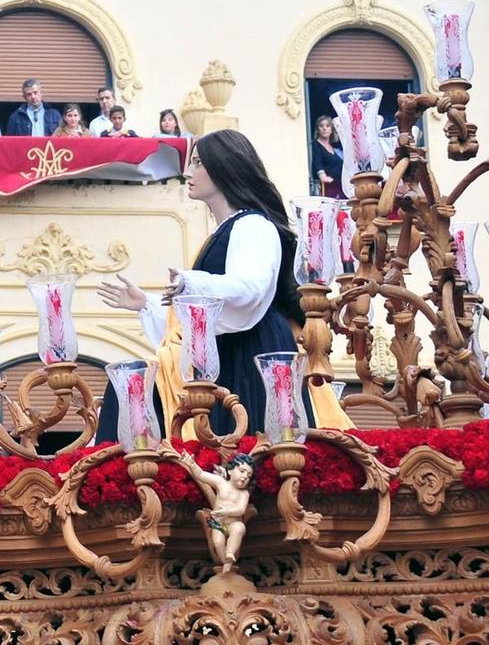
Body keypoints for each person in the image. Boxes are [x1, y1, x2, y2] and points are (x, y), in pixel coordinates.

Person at [97, 130, 351, 435]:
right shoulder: (230, 229)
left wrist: (192, 282)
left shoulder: (253, 225)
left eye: (198, 163)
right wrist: (147, 305)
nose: (188, 172)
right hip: (229, 347)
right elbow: (212, 307)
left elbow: (249, 287)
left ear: (224, 168)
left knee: (245, 441)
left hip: (249, 348)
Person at [310, 114, 344, 197]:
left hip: (340, 186)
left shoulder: (335, 148)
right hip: (328, 186)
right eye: (321, 126)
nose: (324, 128)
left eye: (327, 126)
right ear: (317, 129)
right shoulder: (315, 144)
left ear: (331, 130)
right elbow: (317, 162)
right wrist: (322, 176)